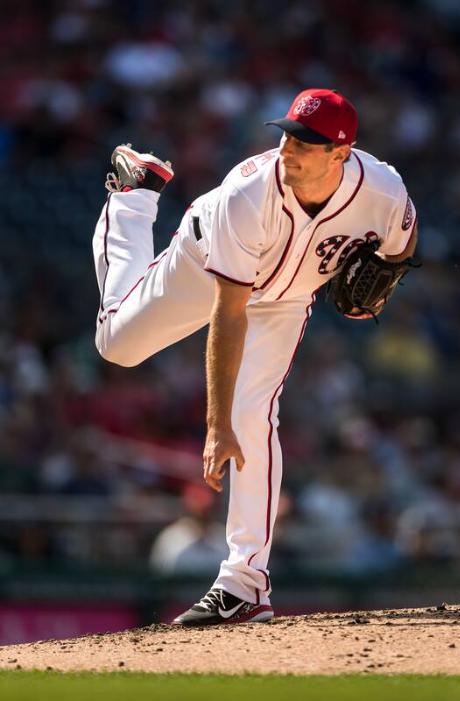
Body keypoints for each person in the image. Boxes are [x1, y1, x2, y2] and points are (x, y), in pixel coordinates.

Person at [92, 88, 418, 626]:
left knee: (256, 414)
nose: (290, 148)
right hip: (208, 267)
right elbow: (229, 313)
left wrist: (385, 279)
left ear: (341, 153)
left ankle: (243, 584)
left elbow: (404, 239)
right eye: (289, 134)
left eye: (307, 142)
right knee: (118, 347)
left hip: (286, 299)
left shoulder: (381, 189)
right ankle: (134, 196)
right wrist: (216, 424)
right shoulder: (248, 194)